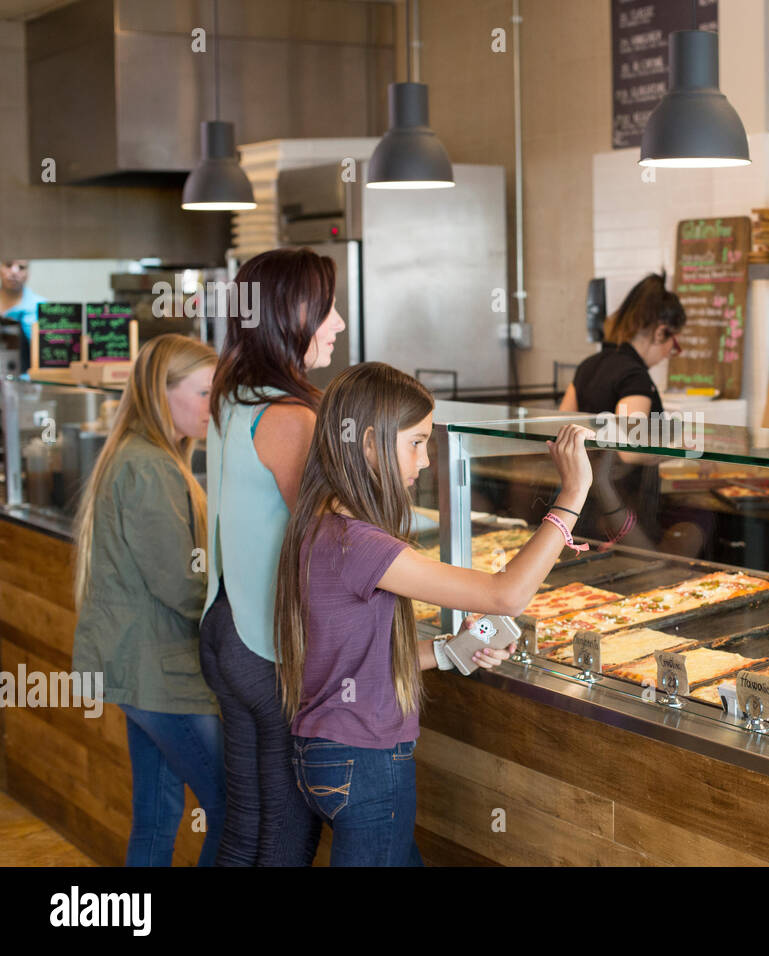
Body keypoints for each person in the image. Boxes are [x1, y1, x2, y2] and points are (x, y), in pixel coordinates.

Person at [275, 363, 593, 866]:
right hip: (367, 763)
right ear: (371, 442)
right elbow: (506, 595)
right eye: (416, 443)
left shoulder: (319, 523)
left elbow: (354, 665)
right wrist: (571, 498)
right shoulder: (358, 542)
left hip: (323, 753)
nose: (424, 462)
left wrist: (448, 650)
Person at [199, 248, 347, 865]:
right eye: (328, 309)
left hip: (223, 628)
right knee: (287, 837)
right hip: (266, 647)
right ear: (292, 314)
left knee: (247, 827)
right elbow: (336, 538)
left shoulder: (235, 396)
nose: (338, 323)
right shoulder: (291, 416)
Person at [71, 333, 227, 866]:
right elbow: (181, 584)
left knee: (158, 818)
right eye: (206, 393)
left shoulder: (146, 458)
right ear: (163, 393)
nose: (216, 406)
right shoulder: (150, 467)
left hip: (143, 672)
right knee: (234, 811)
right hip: (161, 676)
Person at [558, 272, 687, 550]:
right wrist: (679, 447)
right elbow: (629, 449)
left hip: (584, 508)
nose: (668, 353)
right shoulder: (635, 378)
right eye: (672, 344)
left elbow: (561, 429)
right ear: (660, 331)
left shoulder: (588, 366)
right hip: (623, 510)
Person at [0, 260, 46, 374]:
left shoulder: (41, 307)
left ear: (28, 274)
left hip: (29, 384)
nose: (14, 272)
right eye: (8, 265)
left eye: (21, 267)